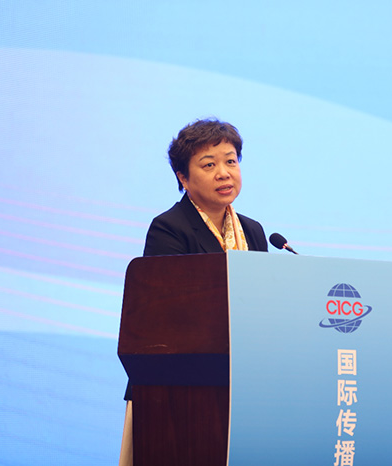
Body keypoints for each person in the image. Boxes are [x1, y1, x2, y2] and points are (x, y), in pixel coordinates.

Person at [118, 118, 268, 466]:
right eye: (209, 165)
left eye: (231, 161)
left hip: (243, 384)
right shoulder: (169, 229)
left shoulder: (253, 232)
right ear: (183, 178)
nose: (224, 173)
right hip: (175, 391)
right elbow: (168, 317)